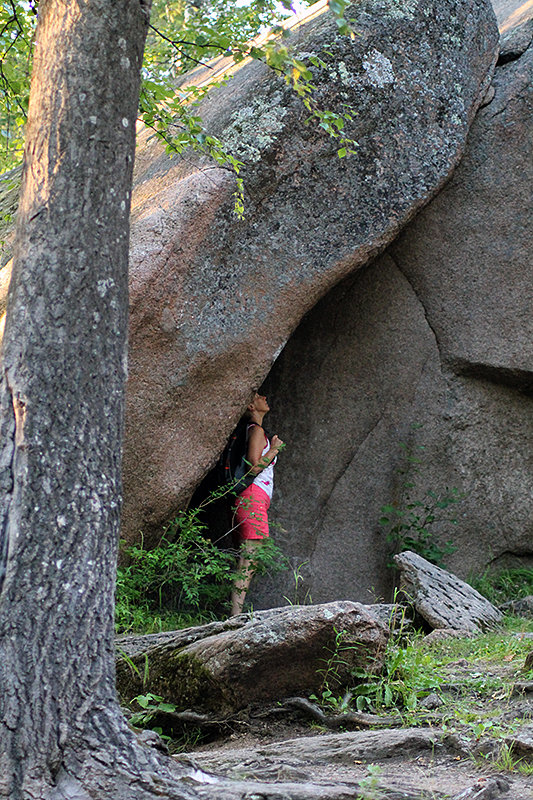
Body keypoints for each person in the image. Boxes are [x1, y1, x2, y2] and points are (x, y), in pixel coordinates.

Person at [230, 392, 284, 616]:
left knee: (252, 558)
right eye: (257, 396)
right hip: (252, 496)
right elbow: (253, 467)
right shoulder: (256, 430)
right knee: (248, 558)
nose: (264, 396)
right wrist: (274, 450)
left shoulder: (256, 431)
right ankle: (233, 618)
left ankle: (235, 615)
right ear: (251, 406)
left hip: (257, 499)